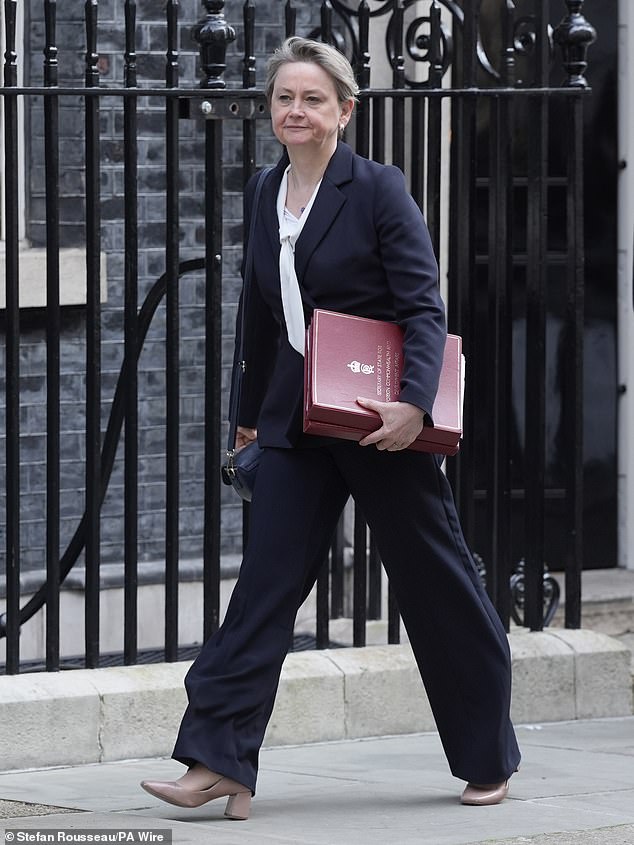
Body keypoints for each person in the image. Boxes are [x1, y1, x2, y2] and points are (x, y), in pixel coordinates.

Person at [141, 36, 521, 820]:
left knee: (438, 584)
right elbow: (257, 313)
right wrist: (247, 419)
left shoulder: (378, 189)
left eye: (313, 99)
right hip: (293, 422)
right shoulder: (263, 190)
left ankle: (488, 753)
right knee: (262, 590)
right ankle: (218, 762)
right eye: (285, 97)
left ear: (345, 110)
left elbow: (423, 305)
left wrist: (414, 404)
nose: (296, 111)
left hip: (379, 422)